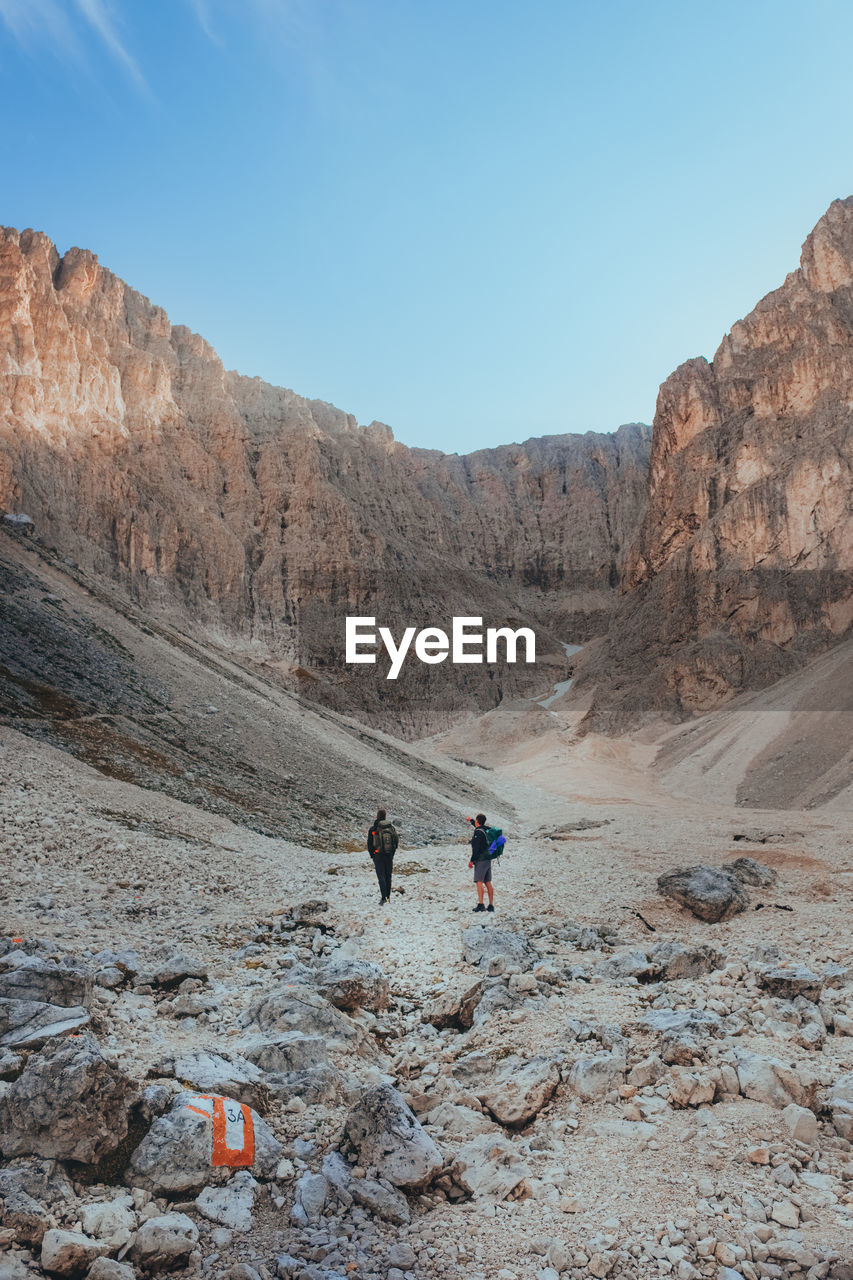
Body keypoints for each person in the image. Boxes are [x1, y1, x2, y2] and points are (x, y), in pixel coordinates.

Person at [367, 808, 399, 905]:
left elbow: (369, 844)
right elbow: (396, 842)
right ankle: (388, 898)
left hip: (378, 855)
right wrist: (392, 853)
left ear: (377, 816)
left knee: (381, 876)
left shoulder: (373, 829)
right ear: (385, 816)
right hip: (389, 855)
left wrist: (373, 855)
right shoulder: (391, 828)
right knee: (388, 876)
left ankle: (383, 898)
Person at [468, 813, 495, 913]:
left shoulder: (478, 833)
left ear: (478, 821)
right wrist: (470, 820)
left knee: (479, 881)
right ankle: (491, 905)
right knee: (487, 882)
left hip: (481, 860)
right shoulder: (486, 829)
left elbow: (476, 848)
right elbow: (477, 825)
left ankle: (481, 904)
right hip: (488, 859)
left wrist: (471, 860)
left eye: (475, 820)